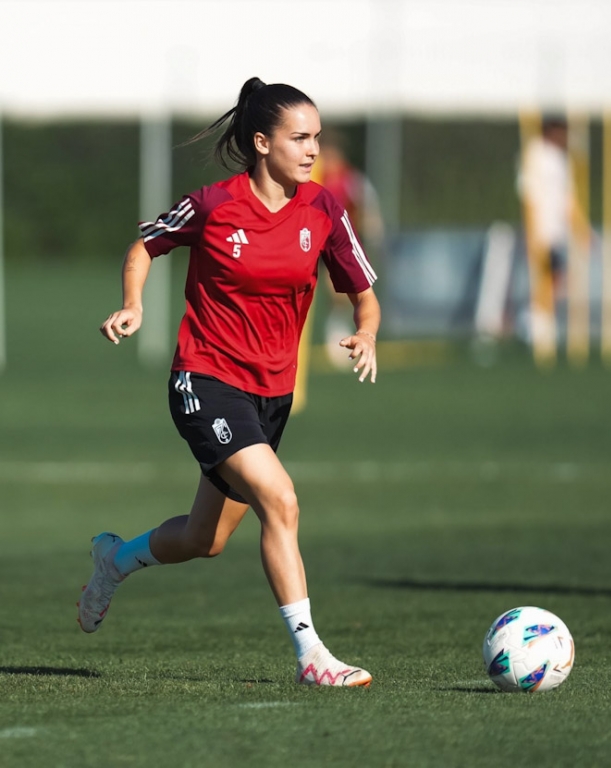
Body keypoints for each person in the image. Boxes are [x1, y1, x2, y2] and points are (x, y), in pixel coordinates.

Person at [78, 77, 380, 688]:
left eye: (317, 137)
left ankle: (113, 560)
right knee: (282, 499)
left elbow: (364, 297)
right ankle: (312, 658)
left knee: (203, 539)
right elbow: (145, 245)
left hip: (272, 395)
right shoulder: (215, 204)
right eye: (300, 138)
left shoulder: (323, 209)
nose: (313, 149)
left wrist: (366, 333)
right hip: (205, 379)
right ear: (262, 143)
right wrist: (132, 303)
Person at [517, 116, 590, 361]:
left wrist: (581, 229)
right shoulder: (535, 154)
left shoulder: (562, 159)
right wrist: (533, 229)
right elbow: (529, 194)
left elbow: (567, 199)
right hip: (541, 229)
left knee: (557, 279)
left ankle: (538, 321)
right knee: (545, 279)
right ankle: (537, 326)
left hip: (556, 230)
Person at [311, 132, 384, 368]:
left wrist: (372, 227)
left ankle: (337, 331)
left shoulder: (348, 177)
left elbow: (367, 202)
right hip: (313, 240)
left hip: (339, 243)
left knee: (340, 293)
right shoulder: (313, 176)